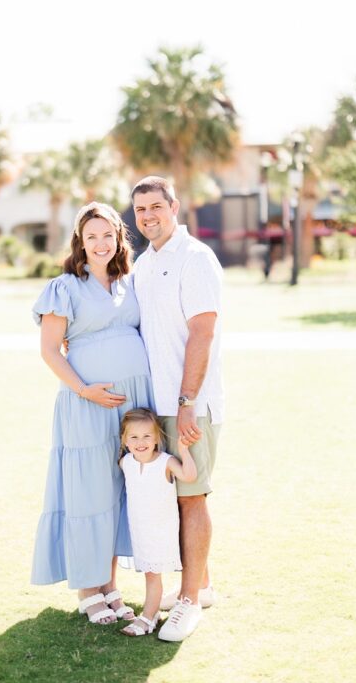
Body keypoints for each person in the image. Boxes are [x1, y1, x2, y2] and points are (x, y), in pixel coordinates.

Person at [30, 202, 153, 625]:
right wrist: (84, 389)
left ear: (119, 238)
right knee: (89, 493)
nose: (100, 244)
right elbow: (49, 350)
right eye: (91, 237)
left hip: (134, 404)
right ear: (79, 243)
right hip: (86, 403)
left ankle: (110, 584)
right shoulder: (64, 287)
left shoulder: (129, 284)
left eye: (107, 235)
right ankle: (88, 587)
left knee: (120, 491)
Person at [131, 175, 223, 642]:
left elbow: (202, 333)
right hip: (156, 404)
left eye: (155, 206)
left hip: (190, 404)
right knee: (173, 499)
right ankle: (199, 585)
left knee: (192, 497)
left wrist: (187, 403)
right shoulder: (145, 264)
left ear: (174, 206)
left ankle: (188, 602)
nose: (148, 216)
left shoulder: (194, 258)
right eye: (140, 209)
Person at [117, 408, 197, 637]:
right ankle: (151, 613)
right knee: (149, 573)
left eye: (147, 436)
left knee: (153, 575)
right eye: (133, 437)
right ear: (124, 439)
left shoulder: (166, 462)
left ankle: (148, 616)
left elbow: (189, 476)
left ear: (157, 438)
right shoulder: (126, 462)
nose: (140, 442)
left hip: (160, 530)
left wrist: (184, 450)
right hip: (140, 530)